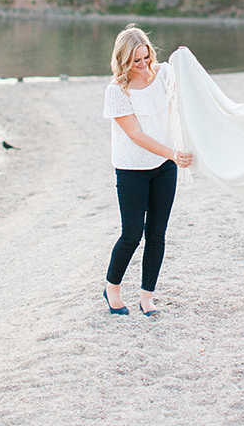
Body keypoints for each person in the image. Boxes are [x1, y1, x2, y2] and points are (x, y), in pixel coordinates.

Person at [103, 24, 193, 316]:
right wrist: (173, 153)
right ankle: (112, 289)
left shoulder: (164, 74)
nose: (143, 66)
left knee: (157, 234)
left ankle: (147, 297)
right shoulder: (116, 91)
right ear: (123, 61)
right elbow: (136, 135)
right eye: (135, 61)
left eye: (145, 58)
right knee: (131, 234)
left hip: (164, 166)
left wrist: (183, 59)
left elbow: (191, 86)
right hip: (132, 168)